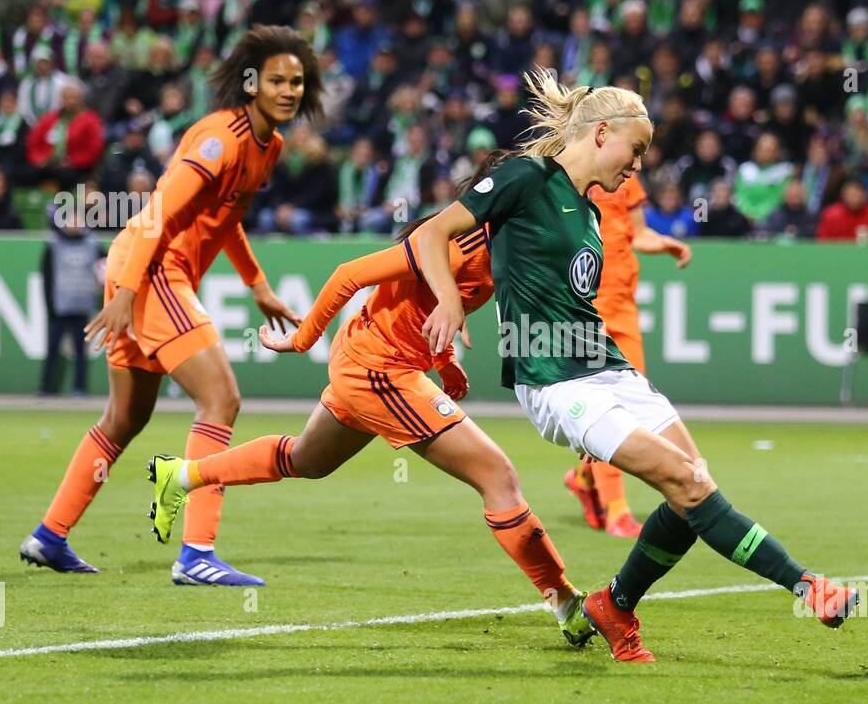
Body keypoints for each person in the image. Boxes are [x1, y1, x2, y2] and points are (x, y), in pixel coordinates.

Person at [411, 70, 858, 662]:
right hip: (556, 380)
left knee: (691, 487)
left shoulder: (592, 214)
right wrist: (447, 302)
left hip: (608, 369)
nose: (639, 166)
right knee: (690, 483)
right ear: (601, 134)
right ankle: (807, 586)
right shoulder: (525, 178)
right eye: (637, 150)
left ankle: (615, 605)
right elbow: (431, 233)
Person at [144, 159, 597, 647]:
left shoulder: (500, 245)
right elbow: (349, 274)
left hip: (372, 360)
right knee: (498, 476)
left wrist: (443, 359)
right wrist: (301, 340)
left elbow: (426, 304)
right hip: (380, 371)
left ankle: (182, 475)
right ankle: (566, 602)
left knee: (304, 459)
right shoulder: (457, 241)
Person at [18, 26, 317, 584]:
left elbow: (226, 219)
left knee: (125, 417)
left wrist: (257, 285)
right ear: (251, 83)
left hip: (149, 274)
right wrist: (126, 295)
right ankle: (196, 555)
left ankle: (50, 535)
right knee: (221, 398)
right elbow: (155, 211)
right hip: (152, 271)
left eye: (297, 81)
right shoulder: (218, 139)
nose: (289, 89)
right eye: (277, 79)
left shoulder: (268, 147)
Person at [563, 165, 690, 540]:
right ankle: (616, 508)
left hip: (623, 308)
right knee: (606, 410)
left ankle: (585, 478)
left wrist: (664, 243)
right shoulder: (569, 175)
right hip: (585, 309)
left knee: (633, 408)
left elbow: (639, 232)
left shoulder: (626, 177)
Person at [39, 206, 101, 395]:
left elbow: (106, 265)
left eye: (78, 220)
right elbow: (47, 279)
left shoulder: (93, 244)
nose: (75, 224)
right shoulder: (53, 245)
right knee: (52, 350)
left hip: (82, 306)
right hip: (59, 308)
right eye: (71, 220)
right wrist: (50, 307)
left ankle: (80, 387)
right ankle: (46, 388)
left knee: (81, 352)